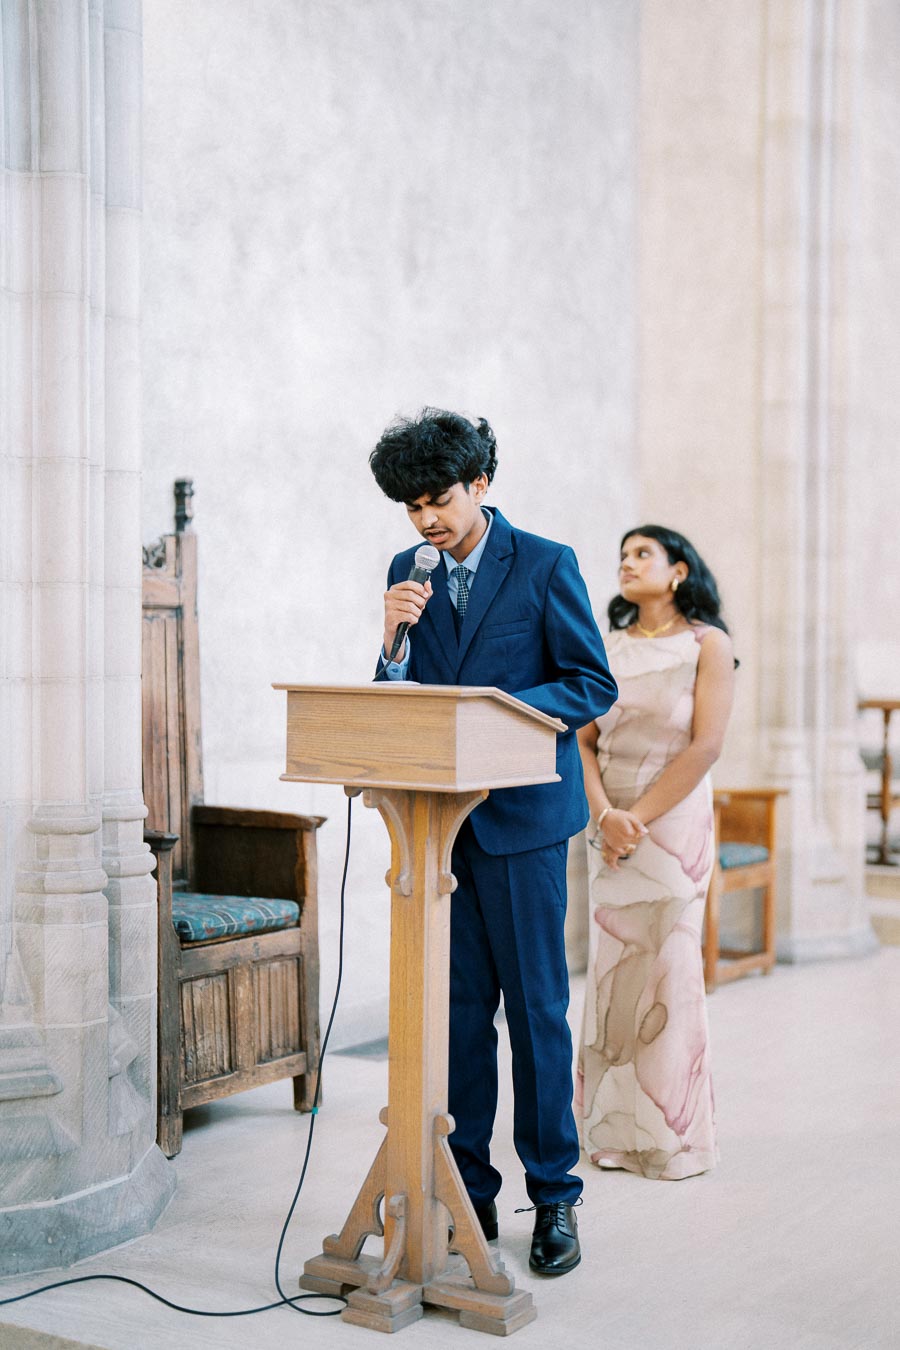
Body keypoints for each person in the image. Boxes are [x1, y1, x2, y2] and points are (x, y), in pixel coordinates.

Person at [370, 408, 616, 1274]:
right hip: (440, 832)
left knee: (537, 1014)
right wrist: (393, 641)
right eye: (410, 508)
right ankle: (465, 1191)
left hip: (522, 825)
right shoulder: (409, 572)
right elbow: (394, 698)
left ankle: (555, 1197)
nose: (425, 521)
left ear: (480, 484)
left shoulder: (547, 563)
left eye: (436, 500)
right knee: (459, 1019)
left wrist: (502, 720)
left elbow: (591, 683)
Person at [576, 525, 735, 1181]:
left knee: (669, 972)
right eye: (622, 555)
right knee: (614, 976)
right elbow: (581, 739)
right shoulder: (606, 647)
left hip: (670, 830)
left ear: (677, 572)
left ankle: (671, 1137)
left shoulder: (708, 645)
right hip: (607, 828)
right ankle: (610, 1130)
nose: (627, 563)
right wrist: (604, 816)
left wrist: (634, 818)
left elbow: (706, 746)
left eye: (643, 553)